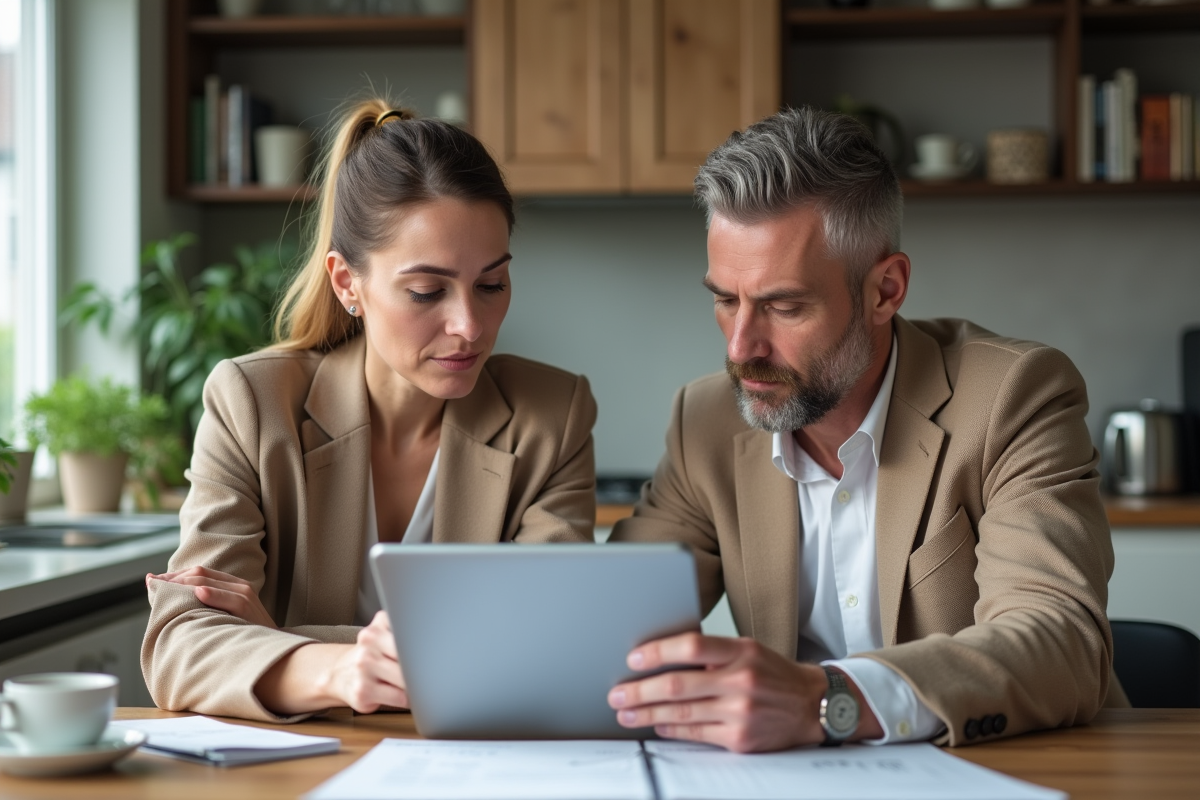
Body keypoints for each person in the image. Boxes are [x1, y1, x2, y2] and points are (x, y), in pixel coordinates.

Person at [606, 107, 1124, 752]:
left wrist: (829, 701)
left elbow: (1060, 641)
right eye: (724, 299)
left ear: (886, 290)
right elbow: (612, 625)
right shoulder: (704, 421)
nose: (742, 347)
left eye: (784, 306)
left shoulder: (1015, 396)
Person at [142, 100, 597, 722]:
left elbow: (557, 648)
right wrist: (341, 669)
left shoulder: (551, 415)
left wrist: (281, 640)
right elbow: (180, 646)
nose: (469, 326)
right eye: (426, 291)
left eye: (491, 285)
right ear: (346, 282)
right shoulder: (252, 403)